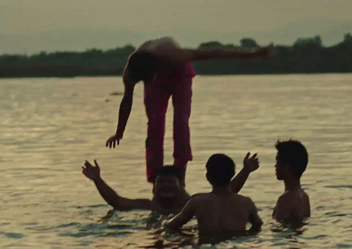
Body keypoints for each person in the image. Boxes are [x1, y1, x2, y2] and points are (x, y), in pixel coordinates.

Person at [105, 37, 275, 182]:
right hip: (154, 77)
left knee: (180, 122)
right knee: (155, 124)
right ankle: (155, 178)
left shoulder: (174, 55)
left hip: (180, 75)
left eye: (148, 80)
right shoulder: (132, 71)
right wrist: (119, 132)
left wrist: (253, 53)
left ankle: (180, 174)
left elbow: (214, 53)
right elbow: (127, 101)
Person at [82, 152, 260, 215]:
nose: (165, 186)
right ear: (154, 187)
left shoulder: (193, 203)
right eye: (161, 183)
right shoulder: (150, 205)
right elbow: (117, 202)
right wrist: (97, 179)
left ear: (181, 185)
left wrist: (245, 171)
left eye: (170, 182)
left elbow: (226, 191)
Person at [165, 154, 263, 236]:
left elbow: (171, 226)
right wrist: (245, 235)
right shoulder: (246, 202)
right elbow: (258, 225)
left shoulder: (197, 202)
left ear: (208, 177)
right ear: (232, 173)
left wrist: (187, 236)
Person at [273, 140, 310, 222]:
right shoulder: (304, 196)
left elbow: (277, 231)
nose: (275, 166)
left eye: (277, 161)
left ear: (287, 167)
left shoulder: (285, 199)